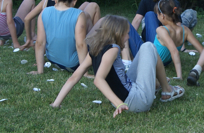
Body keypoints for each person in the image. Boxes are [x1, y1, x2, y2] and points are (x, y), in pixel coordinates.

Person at [51, 15, 185, 117]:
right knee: (148, 46)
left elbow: (74, 77)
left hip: (123, 97)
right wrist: (119, 104)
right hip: (136, 101)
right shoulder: (113, 49)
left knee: (145, 49)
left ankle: (156, 84)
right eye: (126, 33)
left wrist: (56, 103)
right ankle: (167, 90)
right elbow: (98, 80)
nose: (128, 37)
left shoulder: (95, 49)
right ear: (117, 33)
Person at [126, 0, 204, 79]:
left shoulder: (161, 30)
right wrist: (200, 67)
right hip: (166, 61)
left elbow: (174, 52)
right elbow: (201, 50)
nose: (157, 17)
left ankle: (126, 59)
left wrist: (179, 76)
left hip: (150, 60)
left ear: (162, 16)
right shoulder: (185, 29)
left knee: (125, 23)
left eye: (157, 15)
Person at [20, 0, 101, 50]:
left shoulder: (46, 0)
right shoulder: (65, 2)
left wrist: (29, 38)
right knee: (93, 6)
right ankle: (96, 42)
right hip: (66, 37)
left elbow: (27, 19)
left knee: (86, 4)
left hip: (49, 42)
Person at [129, 0, 197, 53]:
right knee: (150, 15)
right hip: (160, 38)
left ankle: (156, 47)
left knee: (149, 15)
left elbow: (137, 19)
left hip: (161, 38)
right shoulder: (172, 2)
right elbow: (178, 26)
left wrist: (130, 38)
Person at [33, 0, 88, 73]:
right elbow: (80, 45)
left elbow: (40, 43)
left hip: (53, 60)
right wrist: (84, 72)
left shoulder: (44, 12)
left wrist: (40, 71)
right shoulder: (79, 14)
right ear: (74, 1)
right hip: (73, 64)